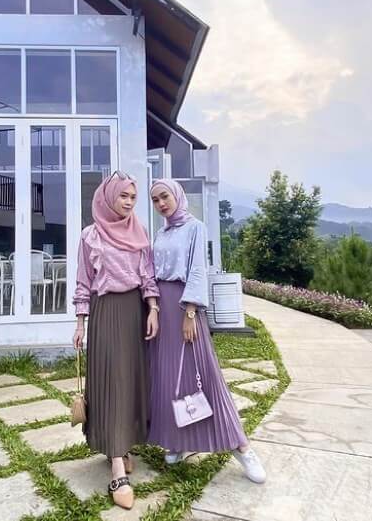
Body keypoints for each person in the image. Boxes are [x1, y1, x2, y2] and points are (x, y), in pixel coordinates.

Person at [148, 179, 266, 484]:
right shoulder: (160, 233)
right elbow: (152, 274)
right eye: (155, 200)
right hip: (162, 309)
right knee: (168, 377)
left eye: (164, 197)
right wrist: (153, 308)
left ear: (177, 196)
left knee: (203, 373)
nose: (161, 204)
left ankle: (241, 447)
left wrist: (190, 312)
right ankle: (177, 440)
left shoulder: (195, 228)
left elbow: (198, 269)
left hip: (184, 307)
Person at [72, 171, 160, 510]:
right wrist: (80, 323)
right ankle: (117, 467)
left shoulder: (139, 231)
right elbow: (83, 281)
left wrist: (153, 309)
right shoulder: (90, 236)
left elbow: (147, 275)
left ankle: (122, 446)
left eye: (133, 197)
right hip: (105, 311)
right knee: (111, 382)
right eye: (123, 195)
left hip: (135, 310)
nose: (128, 202)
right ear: (109, 197)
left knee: (131, 381)